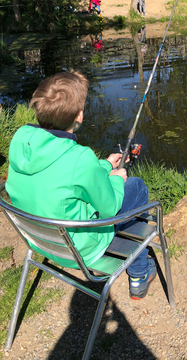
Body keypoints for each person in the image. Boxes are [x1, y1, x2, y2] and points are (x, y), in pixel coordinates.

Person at [5, 71, 157, 300]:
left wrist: (104, 166)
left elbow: (63, 173)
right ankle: (138, 273)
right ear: (79, 116)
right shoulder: (79, 157)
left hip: (39, 241)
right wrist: (117, 178)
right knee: (136, 187)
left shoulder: (21, 138)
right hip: (80, 249)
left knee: (119, 189)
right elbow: (110, 208)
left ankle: (134, 259)